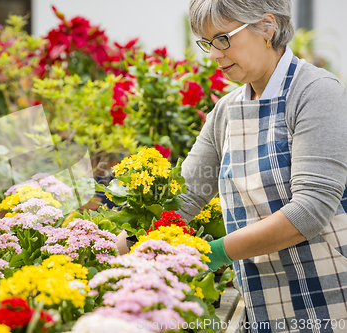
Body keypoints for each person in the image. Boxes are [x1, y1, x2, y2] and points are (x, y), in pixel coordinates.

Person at [117, 0, 347, 331]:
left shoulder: (315, 93)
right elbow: (185, 196)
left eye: (223, 38)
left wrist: (209, 253)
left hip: (327, 294)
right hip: (261, 300)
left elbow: (310, 210)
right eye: (207, 43)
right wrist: (122, 243)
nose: (214, 55)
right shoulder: (226, 111)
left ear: (267, 27)